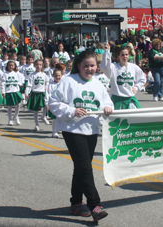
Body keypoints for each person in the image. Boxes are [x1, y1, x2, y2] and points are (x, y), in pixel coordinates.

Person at [49, 49, 113, 222]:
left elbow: (107, 101)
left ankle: (76, 203)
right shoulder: (68, 81)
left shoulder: (98, 83)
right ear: (79, 66)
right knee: (85, 167)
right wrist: (71, 111)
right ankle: (95, 205)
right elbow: (53, 102)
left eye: (92, 66)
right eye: (86, 66)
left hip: (91, 130)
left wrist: (108, 107)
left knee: (81, 167)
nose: (89, 69)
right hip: (72, 130)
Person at [101, 44, 146, 109]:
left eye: (126, 54)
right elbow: (104, 66)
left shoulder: (133, 67)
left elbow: (142, 79)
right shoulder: (114, 67)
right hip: (117, 100)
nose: (125, 56)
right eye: (122, 55)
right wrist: (107, 51)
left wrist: (136, 87)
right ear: (118, 56)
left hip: (130, 99)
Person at [25, 59, 50, 131]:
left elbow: (47, 82)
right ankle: (36, 124)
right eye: (37, 64)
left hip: (42, 92)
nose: (38, 66)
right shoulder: (32, 75)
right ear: (34, 65)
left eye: (40, 65)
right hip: (35, 93)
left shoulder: (44, 74)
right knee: (36, 110)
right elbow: (29, 85)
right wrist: (27, 93)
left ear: (42, 66)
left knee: (45, 105)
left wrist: (46, 87)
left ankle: (43, 116)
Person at [1, 60, 24, 126]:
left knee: (18, 104)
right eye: (9, 65)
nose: (11, 67)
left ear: (14, 66)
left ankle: (16, 116)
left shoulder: (17, 73)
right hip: (8, 91)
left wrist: (20, 83)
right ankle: (10, 119)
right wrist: (3, 91)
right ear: (7, 66)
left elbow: (22, 78)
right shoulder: (5, 74)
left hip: (15, 91)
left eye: (12, 65)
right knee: (10, 106)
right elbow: (2, 83)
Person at [45, 69, 63, 138]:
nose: (58, 77)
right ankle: (54, 131)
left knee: (61, 118)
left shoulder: (63, 84)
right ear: (53, 76)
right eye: (56, 75)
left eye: (59, 75)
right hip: (54, 104)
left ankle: (60, 129)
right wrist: (47, 104)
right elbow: (47, 94)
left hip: (62, 103)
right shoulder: (50, 85)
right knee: (55, 118)